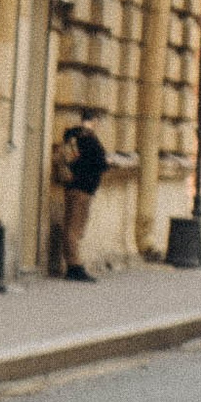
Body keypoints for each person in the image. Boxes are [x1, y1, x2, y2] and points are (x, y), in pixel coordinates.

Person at [53, 113, 118, 280]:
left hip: (73, 186)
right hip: (82, 189)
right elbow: (98, 162)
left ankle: (72, 265)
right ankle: (74, 266)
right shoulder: (88, 139)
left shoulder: (72, 136)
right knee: (75, 229)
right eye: (98, 121)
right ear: (94, 121)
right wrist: (108, 163)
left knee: (71, 227)